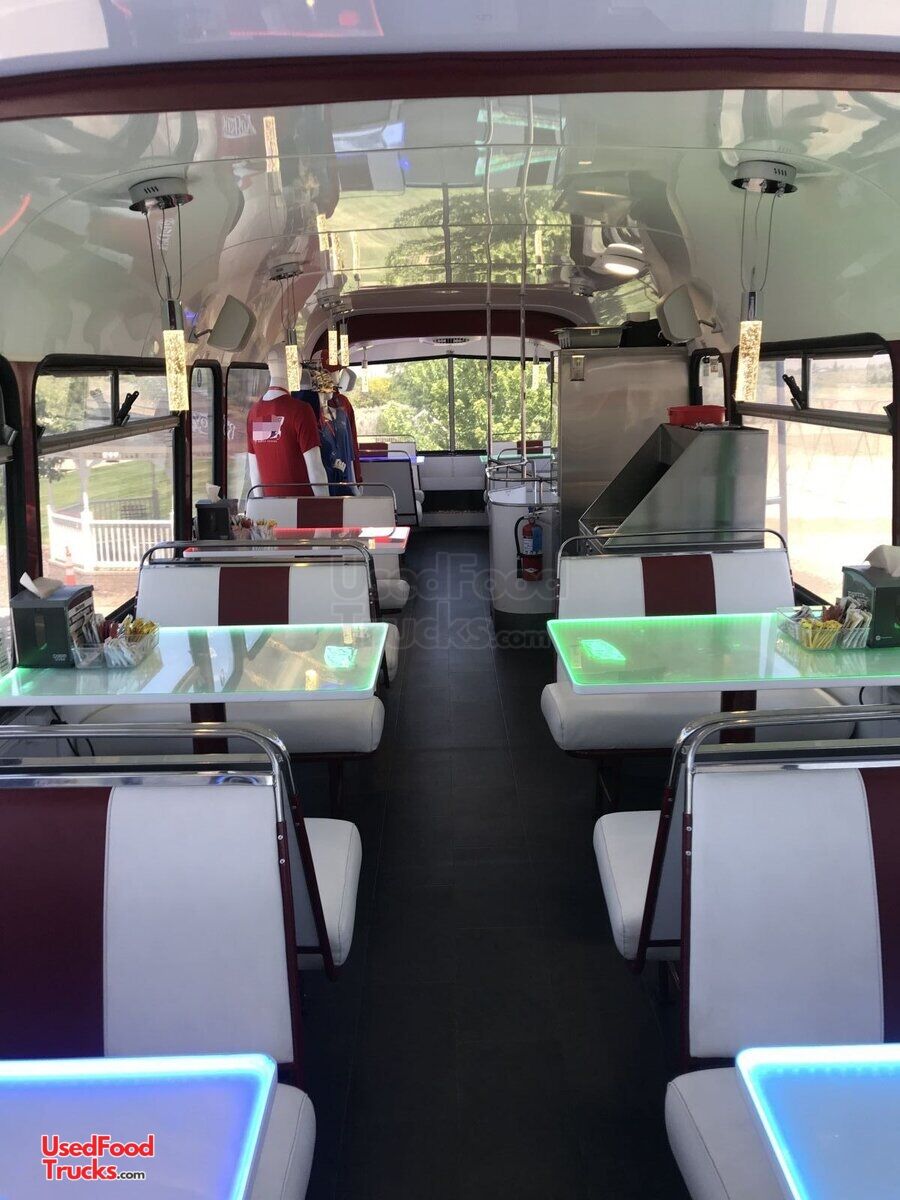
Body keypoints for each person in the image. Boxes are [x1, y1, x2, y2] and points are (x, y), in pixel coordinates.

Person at [246, 345, 328, 497]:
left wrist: (260, 505)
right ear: (294, 368)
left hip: (270, 508)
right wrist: (327, 506)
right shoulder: (301, 411)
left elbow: (254, 472)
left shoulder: (254, 414)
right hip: (301, 506)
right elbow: (316, 469)